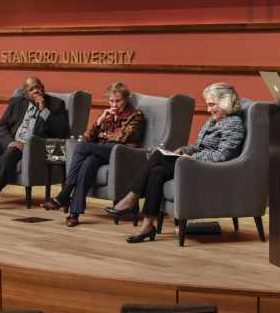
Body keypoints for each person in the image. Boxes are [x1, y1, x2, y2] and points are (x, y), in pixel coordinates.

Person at [105, 82, 245, 243]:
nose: (208, 109)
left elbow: (223, 156)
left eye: (212, 105)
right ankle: (147, 225)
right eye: (208, 105)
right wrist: (180, 151)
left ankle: (130, 198)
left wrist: (192, 158)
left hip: (208, 170)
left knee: (157, 157)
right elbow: (198, 146)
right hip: (194, 165)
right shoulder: (214, 120)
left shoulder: (233, 124)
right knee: (156, 172)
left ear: (225, 102)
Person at [41, 82, 144, 227]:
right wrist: (100, 121)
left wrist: (104, 134)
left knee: (82, 148)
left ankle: (64, 194)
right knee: (88, 163)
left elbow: (125, 137)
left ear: (126, 99)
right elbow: (87, 138)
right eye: (111, 101)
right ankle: (74, 214)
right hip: (102, 151)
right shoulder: (107, 115)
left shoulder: (136, 115)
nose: (114, 104)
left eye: (118, 101)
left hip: (122, 153)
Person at [0, 76, 70, 212]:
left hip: (33, 148)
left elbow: (62, 132)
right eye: (31, 89)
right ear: (25, 94)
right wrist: (10, 142)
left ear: (43, 88)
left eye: (38, 87)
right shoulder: (16, 103)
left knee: (11, 153)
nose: (36, 91)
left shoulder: (56, 105)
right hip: (11, 141)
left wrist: (44, 110)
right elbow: (2, 126)